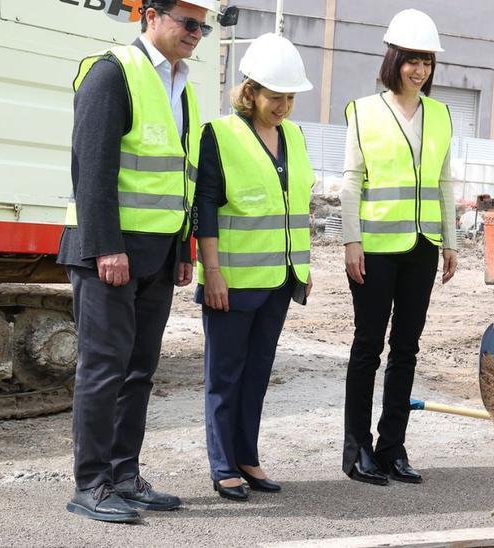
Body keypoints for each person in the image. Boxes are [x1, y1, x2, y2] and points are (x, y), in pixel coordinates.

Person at [58, 0, 216, 523]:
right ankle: (91, 484)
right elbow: (92, 168)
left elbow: (180, 176)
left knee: (139, 371)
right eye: (187, 22)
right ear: (150, 15)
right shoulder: (111, 73)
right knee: (103, 369)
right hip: (111, 251)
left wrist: (186, 248)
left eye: (203, 25)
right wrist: (107, 247)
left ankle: (123, 474)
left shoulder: (182, 87)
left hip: (159, 251)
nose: (197, 32)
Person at [340, 8, 459, 487]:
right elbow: (351, 181)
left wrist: (451, 241)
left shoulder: (441, 114)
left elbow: (446, 181)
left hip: (422, 248)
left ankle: (393, 447)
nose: (420, 70)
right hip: (374, 246)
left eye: (427, 62)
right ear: (394, 60)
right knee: (367, 346)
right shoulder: (363, 111)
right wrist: (351, 240)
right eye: (411, 60)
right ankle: (357, 449)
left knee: (406, 348)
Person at [194, 33, 314, 502]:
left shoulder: (296, 137)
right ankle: (223, 464)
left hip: (280, 279)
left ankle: (247, 456)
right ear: (250, 92)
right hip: (234, 280)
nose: (283, 105)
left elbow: (294, 207)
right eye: (274, 96)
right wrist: (213, 272)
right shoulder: (220, 135)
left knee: (257, 373)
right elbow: (205, 207)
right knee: (224, 376)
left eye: (289, 97)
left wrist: (301, 266)